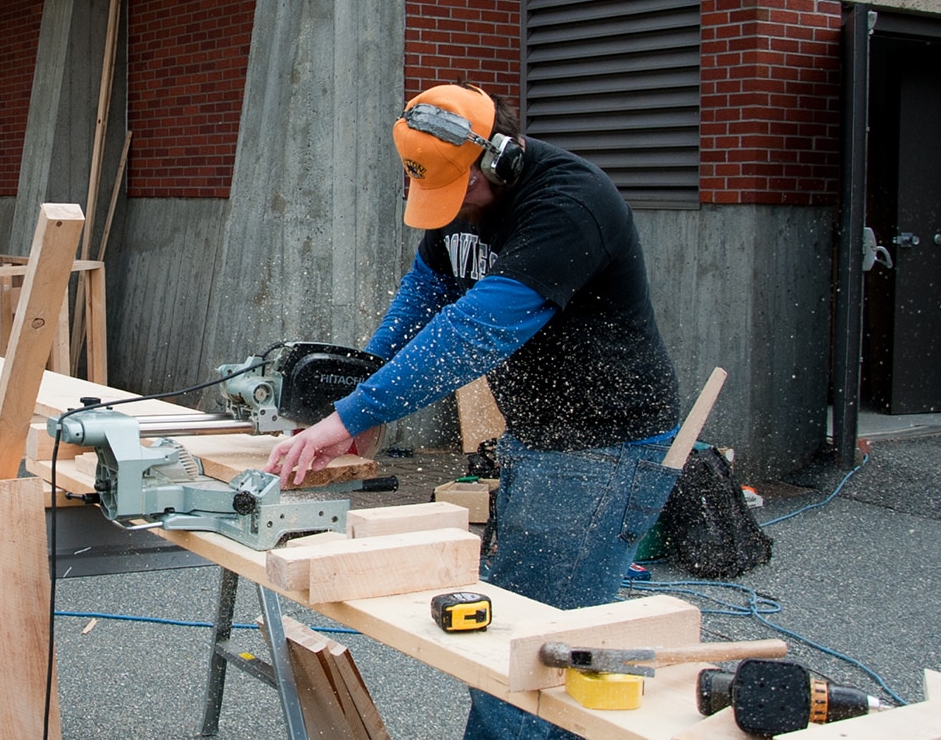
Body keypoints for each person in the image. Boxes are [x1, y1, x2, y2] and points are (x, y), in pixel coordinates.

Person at [264, 83, 683, 740]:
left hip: (603, 446)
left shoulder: (569, 205)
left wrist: (346, 416)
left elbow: (475, 333)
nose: (451, 208)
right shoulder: (453, 196)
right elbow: (422, 296)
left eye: (464, 190)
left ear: (502, 159)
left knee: (525, 649)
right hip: (539, 438)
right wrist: (362, 393)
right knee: (541, 635)